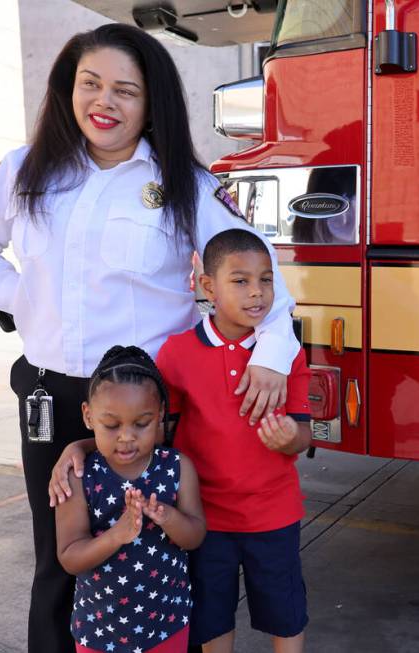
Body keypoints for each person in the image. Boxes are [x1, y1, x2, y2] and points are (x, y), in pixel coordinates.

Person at [0, 24, 299, 653]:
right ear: (68, 89)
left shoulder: (185, 186)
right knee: (62, 556)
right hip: (55, 395)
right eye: (90, 84)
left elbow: (265, 279)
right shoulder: (25, 171)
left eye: (126, 90)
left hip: (147, 410)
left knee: (157, 555)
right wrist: (21, 299)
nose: (104, 102)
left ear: (151, 105)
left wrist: (274, 359)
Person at [53, 230, 313, 651]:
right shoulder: (177, 353)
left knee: (285, 612)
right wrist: (78, 446)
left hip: (274, 513)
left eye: (266, 280)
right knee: (212, 616)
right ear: (207, 286)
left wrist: (288, 439)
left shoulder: (284, 353)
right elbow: (145, 428)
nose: (257, 293)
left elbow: (303, 432)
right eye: (241, 280)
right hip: (204, 516)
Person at [55, 346, 206, 653]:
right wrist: (117, 535)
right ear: (88, 415)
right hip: (99, 630)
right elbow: (70, 557)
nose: (126, 437)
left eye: (142, 423)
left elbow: (195, 536)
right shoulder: (79, 475)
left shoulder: (177, 467)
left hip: (167, 623)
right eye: (111, 426)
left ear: (160, 415)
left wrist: (168, 517)